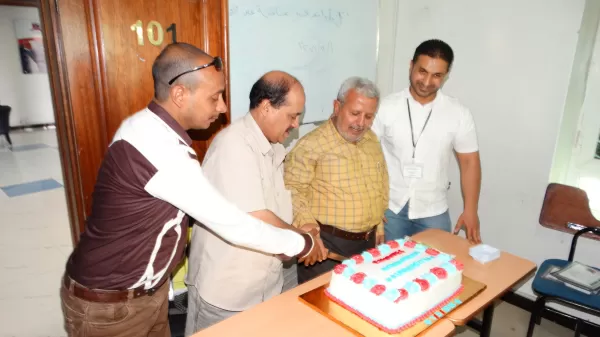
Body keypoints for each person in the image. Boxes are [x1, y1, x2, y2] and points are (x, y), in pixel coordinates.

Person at [59, 43, 322, 337]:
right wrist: (303, 244)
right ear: (180, 94)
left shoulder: (153, 130)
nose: (223, 107)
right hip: (111, 306)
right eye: (215, 97)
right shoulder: (159, 147)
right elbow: (237, 226)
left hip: (145, 296)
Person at [185, 71, 328, 334]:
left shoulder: (273, 147)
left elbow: (278, 206)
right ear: (266, 107)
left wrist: (306, 227)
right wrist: (303, 241)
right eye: (292, 115)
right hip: (227, 292)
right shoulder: (234, 145)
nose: (296, 124)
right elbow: (257, 217)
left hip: (263, 285)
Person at [372, 39, 482, 244]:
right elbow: (366, 155)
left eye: (437, 75)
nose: (427, 81)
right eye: (422, 71)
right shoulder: (386, 107)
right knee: (389, 269)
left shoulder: (458, 113)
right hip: (390, 208)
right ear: (411, 65)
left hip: (433, 209)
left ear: (446, 75)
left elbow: (469, 162)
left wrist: (471, 210)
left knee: (435, 268)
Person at [284, 76, 389, 284]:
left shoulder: (371, 140)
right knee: (322, 308)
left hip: (367, 244)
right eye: (355, 113)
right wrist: (308, 230)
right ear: (337, 106)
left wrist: (378, 224)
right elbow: (292, 189)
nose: (361, 123)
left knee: (358, 305)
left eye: (369, 116)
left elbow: (380, 181)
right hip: (327, 247)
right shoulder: (311, 145)